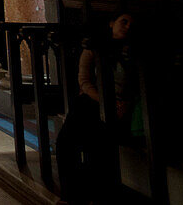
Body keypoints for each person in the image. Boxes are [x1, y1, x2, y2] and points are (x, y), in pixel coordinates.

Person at [55, 11, 138, 203]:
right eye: (123, 22)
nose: (127, 27)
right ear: (111, 23)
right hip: (93, 101)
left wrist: (122, 103)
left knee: (97, 144)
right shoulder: (93, 46)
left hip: (120, 107)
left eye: (131, 24)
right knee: (65, 143)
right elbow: (84, 81)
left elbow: (134, 87)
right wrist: (104, 101)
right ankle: (70, 196)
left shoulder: (132, 52)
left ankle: (92, 196)